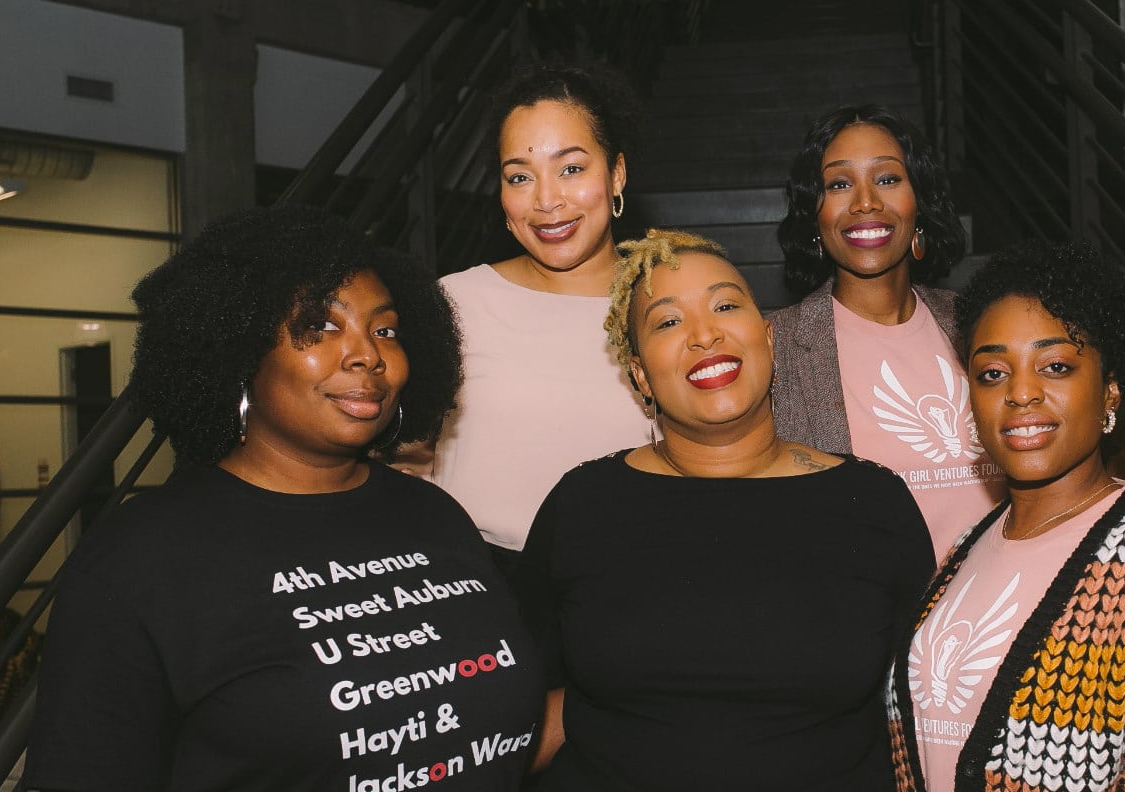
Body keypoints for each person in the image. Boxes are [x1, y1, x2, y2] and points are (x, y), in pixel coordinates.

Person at [23, 206, 542, 791]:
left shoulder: (434, 513)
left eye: (386, 330)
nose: (367, 354)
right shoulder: (141, 558)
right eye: (320, 326)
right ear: (240, 349)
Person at [513, 230, 935, 791]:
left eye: (726, 306)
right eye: (667, 321)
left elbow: (923, 709)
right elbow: (515, 709)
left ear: (768, 338)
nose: (704, 334)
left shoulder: (873, 503)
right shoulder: (581, 505)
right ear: (640, 373)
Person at [885, 242, 1125, 792]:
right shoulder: (967, 546)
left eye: (1055, 366)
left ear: (1110, 390)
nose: (1020, 393)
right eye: (992, 373)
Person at [426, 63, 650, 565]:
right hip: (475, 586)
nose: (547, 201)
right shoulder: (455, 302)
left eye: (571, 168)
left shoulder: (663, 303)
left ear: (616, 172)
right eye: (520, 177)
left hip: (627, 578)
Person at [771, 104, 1001, 559]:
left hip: (1008, 607)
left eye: (888, 179)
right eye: (839, 184)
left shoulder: (978, 324)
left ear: (921, 204)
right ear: (814, 215)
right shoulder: (777, 348)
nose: (865, 203)